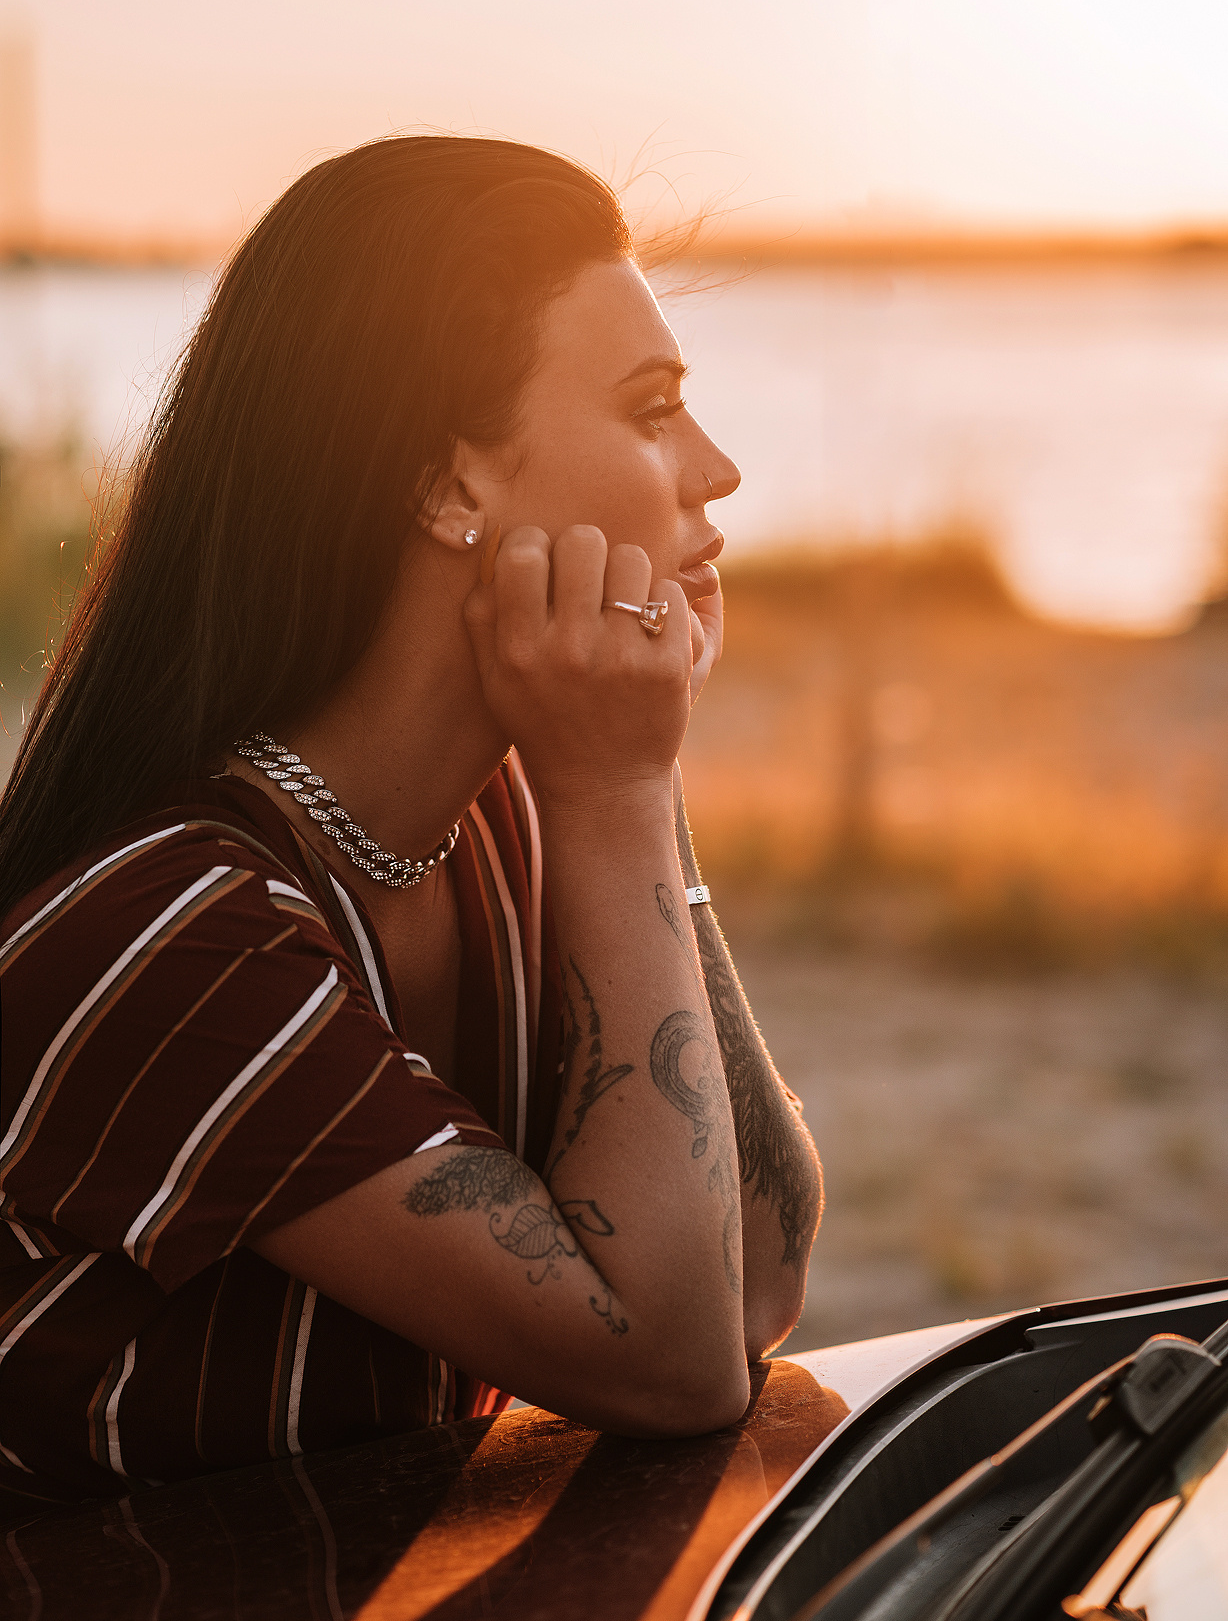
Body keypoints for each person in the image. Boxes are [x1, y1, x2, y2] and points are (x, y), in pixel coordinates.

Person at [0, 136, 823, 1507]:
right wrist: (618, 792)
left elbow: (756, 1287)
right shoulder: (169, 938)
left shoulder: (509, 819)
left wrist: (634, 778)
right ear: (448, 487)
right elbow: (672, 1366)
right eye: (652, 406)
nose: (718, 467)